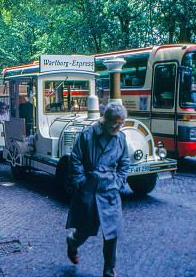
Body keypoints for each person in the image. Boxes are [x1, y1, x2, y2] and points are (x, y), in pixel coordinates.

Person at [66, 102, 130, 277]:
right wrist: (80, 181)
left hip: (110, 191)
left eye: (121, 123)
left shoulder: (121, 138)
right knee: (85, 230)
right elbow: (75, 158)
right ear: (106, 118)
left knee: (112, 233)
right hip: (90, 189)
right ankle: (72, 243)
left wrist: (119, 181)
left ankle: (109, 271)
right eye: (115, 123)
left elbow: (125, 163)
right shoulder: (87, 135)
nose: (118, 126)